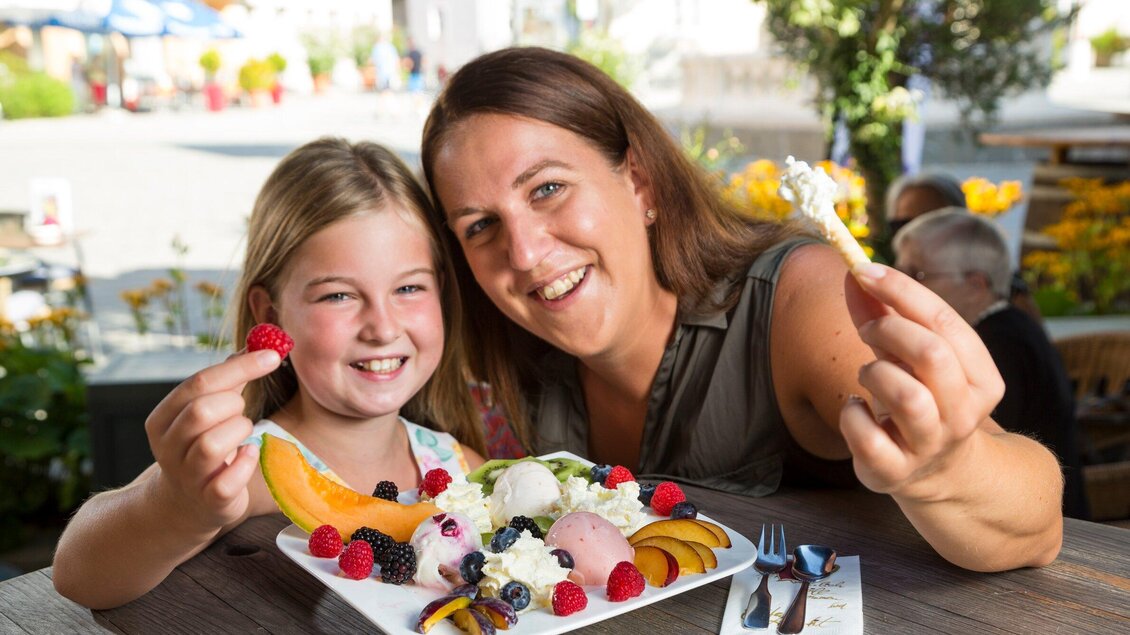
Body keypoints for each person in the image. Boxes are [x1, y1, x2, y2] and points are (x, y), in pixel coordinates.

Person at [420, 47, 1063, 572]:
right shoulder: (496, 358)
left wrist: (950, 467)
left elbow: (1034, 527)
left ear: (638, 180)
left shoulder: (801, 298)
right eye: (480, 226)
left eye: (548, 188)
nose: (526, 253)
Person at [52, 138, 487, 609]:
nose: (383, 328)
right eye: (338, 295)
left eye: (408, 287)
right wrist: (174, 508)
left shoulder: (463, 467)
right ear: (270, 313)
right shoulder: (245, 467)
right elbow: (79, 573)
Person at [893, 209, 1088, 519]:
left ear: (975, 285)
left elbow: (968, 454)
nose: (898, 283)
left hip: (1043, 522)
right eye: (897, 269)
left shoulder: (998, 345)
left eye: (916, 274)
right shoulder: (1006, 326)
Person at [885, 170, 1043, 321]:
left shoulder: (1005, 297)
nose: (913, 234)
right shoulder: (892, 281)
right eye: (902, 225)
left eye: (934, 223)